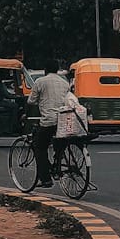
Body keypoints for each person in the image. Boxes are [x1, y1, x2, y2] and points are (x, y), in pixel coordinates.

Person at [28, 58, 71, 189]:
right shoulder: (65, 83)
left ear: (45, 70)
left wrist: (27, 113)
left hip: (49, 120)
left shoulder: (40, 81)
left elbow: (31, 101)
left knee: (39, 146)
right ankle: (57, 165)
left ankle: (46, 179)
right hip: (64, 120)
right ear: (57, 69)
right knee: (60, 144)